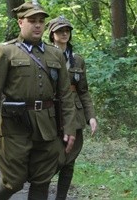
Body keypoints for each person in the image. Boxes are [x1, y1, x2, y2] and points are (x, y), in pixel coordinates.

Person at [0, 0, 77, 199]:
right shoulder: (6, 51)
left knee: (42, 180)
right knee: (13, 181)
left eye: (41, 21)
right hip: (15, 127)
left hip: (47, 127)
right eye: (32, 20)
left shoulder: (55, 54)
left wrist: (70, 127)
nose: (37, 25)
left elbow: (65, 95)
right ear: (21, 22)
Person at [47, 16, 98, 200]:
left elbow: (83, 91)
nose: (64, 33)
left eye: (67, 30)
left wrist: (90, 116)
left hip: (74, 115)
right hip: (52, 113)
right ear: (52, 34)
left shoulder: (77, 60)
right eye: (60, 30)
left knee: (70, 161)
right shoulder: (44, 56)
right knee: (50, 159)